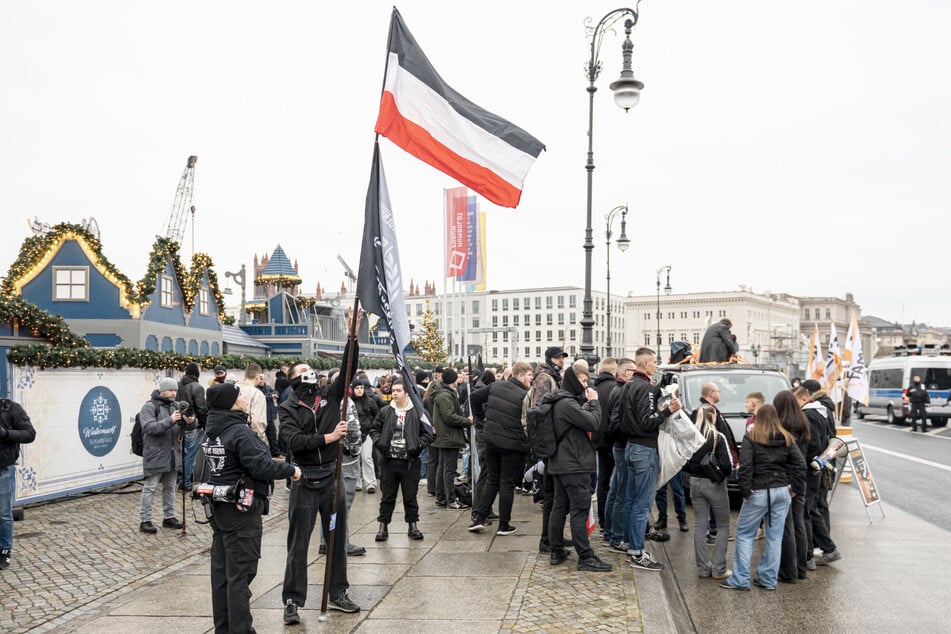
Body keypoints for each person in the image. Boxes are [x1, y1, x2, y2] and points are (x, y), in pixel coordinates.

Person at [279, 309, 362, 624]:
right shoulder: (288, 407)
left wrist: (352, 337)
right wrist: (329, 436)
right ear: (294, 379)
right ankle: (292, 601)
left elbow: (348, 369)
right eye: (303, 368)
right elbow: (293, 441)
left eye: (310, 367)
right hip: (304, 481)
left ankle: (338, 592)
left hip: (332, 480)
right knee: (298, 543)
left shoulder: (329, 396)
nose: (309, 370)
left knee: (336, 538)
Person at [201, 382, 300, 634]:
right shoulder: (238, 431)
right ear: (231, 403)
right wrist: (291, 470)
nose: (244, 398)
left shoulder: (211, 430)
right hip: (241, 512)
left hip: (219, 511)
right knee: (240, 578)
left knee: (223, 578)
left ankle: (224, 629)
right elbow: (263, 466)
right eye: (239, 396)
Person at [720, 404, 805, 591]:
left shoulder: (752, 436)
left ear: (759, 418)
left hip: (758, 490)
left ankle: (740, 579)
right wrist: (795, 488)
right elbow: (800, 465)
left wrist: (745, 491)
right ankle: (767, 579)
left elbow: (745, 466)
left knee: (744, 535)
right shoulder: (786, 437)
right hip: (781, 490)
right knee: (775, 537)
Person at [621, 347, 681, 571]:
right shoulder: (645, 388)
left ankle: (630, 544)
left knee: (630, 500)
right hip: (644, 449)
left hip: (630, 447)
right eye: (654, 362)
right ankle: (637, 552)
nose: (657, 365)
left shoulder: (628, 386)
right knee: (642, 504)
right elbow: (647, 420)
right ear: (645, 364)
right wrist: (668, 410)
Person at [547, 361, 611, 572]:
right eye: (584, 381)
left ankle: (556, 549)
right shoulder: (567, 404)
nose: (587, 385)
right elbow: (593, 423)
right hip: (574, 464)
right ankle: (585, 557)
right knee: (579, 510)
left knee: (559, 507)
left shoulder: (561, 401)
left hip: (560, 463)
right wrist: (594, 402)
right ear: (574, 381)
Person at [468, 361, 533, 535]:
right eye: (529, 375)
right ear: (520, 375)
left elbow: (474, 397)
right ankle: (504, 524)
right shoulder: (525, 395)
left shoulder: (496, 386)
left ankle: (479, 518)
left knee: (492, 479)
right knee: (506, 483)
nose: (531, 379)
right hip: (513, 445)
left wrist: (480, 420)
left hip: (492, 440)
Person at [370, 377, 434, 541]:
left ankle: (413, 526)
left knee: (410, 496)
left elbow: (429, 433)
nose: (395, 394)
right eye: (393, 391)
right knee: (387, 497)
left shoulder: (418, 412)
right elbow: (375, 429)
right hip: (389, 461)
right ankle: (383, 526)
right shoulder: (386, 411)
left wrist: (418, 445)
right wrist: (380, 443)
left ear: (407, 393)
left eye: (398, 390)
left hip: (409, 462)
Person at [138, 377, 196, 534]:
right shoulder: (149, 407)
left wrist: (190, 421)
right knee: (150, 487)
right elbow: (149, 427)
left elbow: (190, 427)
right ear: (162, 390)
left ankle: (168, 517)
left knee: (170, 487)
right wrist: (169, 421)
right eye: (171, 390)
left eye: (176, 390)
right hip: (156, 453)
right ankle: (145, 520)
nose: (174, 393)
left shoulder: (176, 406)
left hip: (173, 453)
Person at [795, 385, 843, 570]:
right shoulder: (821, 412)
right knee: (812, 509)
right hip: (816, 468)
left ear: (804, 398)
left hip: (811, 469)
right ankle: (828, 549)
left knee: (807, 511)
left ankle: (813, 554)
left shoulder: (810, 415)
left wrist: (806, 463)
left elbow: (813, 444)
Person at [682, 404, 733, 580]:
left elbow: (684, 460)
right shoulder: (718, 437)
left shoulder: (691, 437)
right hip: (714, 484)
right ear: (713, 417)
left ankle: (703, 568)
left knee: (699, 525)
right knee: (723, 525)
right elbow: (728, 465)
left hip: (694, 483)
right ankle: (719, 568)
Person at [774, 390, 811, 582]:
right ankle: (801, 568)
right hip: (801, 479)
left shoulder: (783, 427)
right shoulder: (803, 423)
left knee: (786, 526)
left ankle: (788, 571)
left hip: (787, 480)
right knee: (799, 524)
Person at [534, 345, 568, 554]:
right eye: (558, 357)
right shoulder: (545, 378)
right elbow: (541, 409)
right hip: (549, 443)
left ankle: (553, 536)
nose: (561, 360)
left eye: (562, 357)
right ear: (550, 359)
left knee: (554, 495)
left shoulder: (553, 376)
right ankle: (547, 539)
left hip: (551, 442)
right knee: (551, 495)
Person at [699, 382, 740, 544]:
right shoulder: (705, 410)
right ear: (710, 393)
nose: (719, 393)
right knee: (716, 500)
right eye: (717, 390)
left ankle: (713, 529)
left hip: (717, 463)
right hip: (714, 466)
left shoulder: (713, 409)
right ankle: (713, 531)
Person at [0, 397, 36, 570]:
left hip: (3, 471)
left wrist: (6, 433)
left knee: (3, 514)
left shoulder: (11, 409)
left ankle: (4, 550)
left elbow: (30, 434)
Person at [603, 357, 635, 551]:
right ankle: (615, 537)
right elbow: (615, 423)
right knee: (620, 493)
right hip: (622, 446)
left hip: (617, 446)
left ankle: (609, 533)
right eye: (633, 370)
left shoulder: (617, 389)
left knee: (615, 491)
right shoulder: (622, 391)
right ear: (625, 373)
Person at [429, 368, 472, 509]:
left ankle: (441, 498)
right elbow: (449, 417)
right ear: (453, 380)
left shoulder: (443, 394)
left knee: (442, 469)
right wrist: (467, 420)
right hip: (449, 436)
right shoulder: (445, 396)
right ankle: (450, 500)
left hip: (445, 436)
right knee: (448, 470)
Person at [592, 357, 618, 534]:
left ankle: (602, 520)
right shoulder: (615, 389)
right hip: (612, 440)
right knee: (615, 482)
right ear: (614, 371)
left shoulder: (594, 389)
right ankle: (611, 521)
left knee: (602, 482)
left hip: (597, 440)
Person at [177, 362, 208, 490]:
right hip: (193, 426)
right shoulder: (197, 387)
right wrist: (205, 424)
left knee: (182, 455)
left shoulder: (178, 385)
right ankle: (186, 483)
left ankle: (180, 480)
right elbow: (201, 409)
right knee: (190, 456)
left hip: (178, 425)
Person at [351, 378, 380, 493]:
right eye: (357, 388)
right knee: (355, 459)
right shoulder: (349, 402)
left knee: (367, 458)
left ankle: (370, 483)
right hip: (353, 434)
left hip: (367, 433)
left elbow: (377, 416)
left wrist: (373, 428)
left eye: (361, 388)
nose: (359, 390)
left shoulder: (370, 401)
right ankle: (357, 483)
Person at [239, 363, 268, 444]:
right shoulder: (257, 394)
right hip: (248, 439)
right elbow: (257, 422)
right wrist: (260, 442)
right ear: (258, 377)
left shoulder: (232, 389)